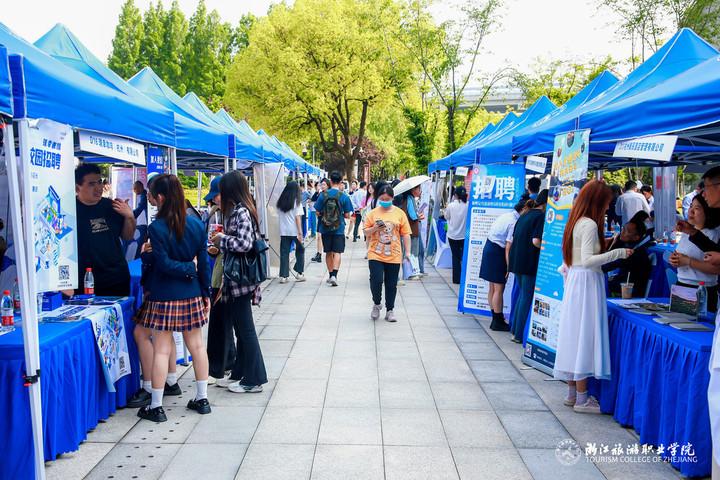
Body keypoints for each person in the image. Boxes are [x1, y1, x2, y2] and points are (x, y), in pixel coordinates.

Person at [134, 174, 211, 422]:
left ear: (160, 198)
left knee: (161, 350)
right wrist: (205, 290)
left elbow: (164, 264)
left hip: (164, 295)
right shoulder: (197, 225)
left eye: (151, 195)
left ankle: (156, 406)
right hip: (191, 294)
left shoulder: (156, 228)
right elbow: (205, 265)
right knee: (197, 346)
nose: (150, 199)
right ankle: (202, 398)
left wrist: (187, 269)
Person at [553, 180, 631, 414]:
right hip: (587, 282)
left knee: (574, 335)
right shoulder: (588, 224)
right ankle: (582, 398)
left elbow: (581, 255)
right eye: (606, 203)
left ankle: (573, 393)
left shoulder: (578, 222)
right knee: (584, 336)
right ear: (597, 202)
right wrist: (618, 252)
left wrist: (608, 244)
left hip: (580, 281)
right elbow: (587, 260)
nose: (608, 208)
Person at [210, 170, 267, 393]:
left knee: (246, 330)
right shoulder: (239, 210)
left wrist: (222, 239)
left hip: (241, 281)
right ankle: (240, 373)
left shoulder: (241, 212)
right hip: (236, 280)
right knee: (241, 329)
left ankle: (254, 379)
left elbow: (244, 244)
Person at [75, 164, 136, 296]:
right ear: (77, 187)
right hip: (85, 281)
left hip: (116, 279)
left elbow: (127, 236)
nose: (99, 188)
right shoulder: (69, 210)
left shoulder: (112, 206)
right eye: (91, 184)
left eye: (100, 182)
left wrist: (129, 217)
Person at [364, 185, 412, 322]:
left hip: (394, 254)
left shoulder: (400, 213)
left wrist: (407, 252)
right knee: (376, 279)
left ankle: (390, 310)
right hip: (375, 252)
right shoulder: (372, 213)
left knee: (391, 284)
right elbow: (365, 232)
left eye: (388, 198)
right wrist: (374, 228)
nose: (385, 201)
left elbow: (406, 234)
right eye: (382, 198)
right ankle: (376, 303)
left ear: (392, 198)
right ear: (378, 198)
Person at [507, 189, 548, 343]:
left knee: (522, 296)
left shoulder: (525, 214)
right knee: (526, 296)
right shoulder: (540, 217)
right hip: (528, 262)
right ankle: (518, 334)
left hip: (517, 260)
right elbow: (536, 241)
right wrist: (549, 247)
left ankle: (515, 330)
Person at [480, 199, 526, 332]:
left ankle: (495, 317)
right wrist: (508, 266)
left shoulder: (506, 215)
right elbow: (508, 247)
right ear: (523, 209)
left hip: (489, 247)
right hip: (497, 252)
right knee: (499, 289)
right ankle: (498, 320)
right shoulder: (514, 222)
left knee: (492, 288)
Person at [670, 194, 720, 312]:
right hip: (681, 284)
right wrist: (675, 259)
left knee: (699, 327)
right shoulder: (687, 231)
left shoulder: (714, 234)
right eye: (691, 206)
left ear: (708, 212)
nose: (691, 211)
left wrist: (688, 261)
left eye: (697, 208)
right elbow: (680, 254)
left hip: (703, 289)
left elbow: (716, 268)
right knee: (677, 325)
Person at [313, 171, 354, 286]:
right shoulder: (344, 196)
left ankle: (330, 274)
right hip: (339, 228)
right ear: (341, 182)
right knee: (337, 252)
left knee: (328, 252)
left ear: (330, 181)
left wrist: (325, 216)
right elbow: (347, 215)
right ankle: (335, 276)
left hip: (325, 228)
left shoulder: (323, 195)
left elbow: (317, 212)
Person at [603, 218, 653, 298]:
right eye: (623, 229)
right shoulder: (630, 246)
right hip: (623, 284)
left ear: (636, 237)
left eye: (627, 231)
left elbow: (606, 266)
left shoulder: (633, 252)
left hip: (629, 292)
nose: (622, 232)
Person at [276, 181, 306, 283]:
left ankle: (284, 276)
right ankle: (299, 273)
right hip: (294, 231)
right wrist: (300, 233)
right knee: (300, 251)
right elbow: (298, 219)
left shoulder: (280, 202)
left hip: (283, 231)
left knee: (284, 253)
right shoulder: (297, 202)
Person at [398, 185, 426, 278]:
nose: (420, 191)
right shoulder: (410, 199)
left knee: (410, 251)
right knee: (413, 252)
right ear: (413, 189)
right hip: (412, 230)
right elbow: (413, 216)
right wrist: (419, 216)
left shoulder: (407, 198)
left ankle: (410, 272)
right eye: (419, 189)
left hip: (409, 229)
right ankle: (411, 273)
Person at [443, 186, 468, 285]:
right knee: (464, 256)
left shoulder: (451, 205)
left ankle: (456, 279)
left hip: (452, 235)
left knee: (455, 257)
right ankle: (464, 277)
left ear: (455, 195)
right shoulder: (467, 205)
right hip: (464, 235)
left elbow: (446, 217)